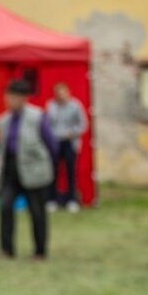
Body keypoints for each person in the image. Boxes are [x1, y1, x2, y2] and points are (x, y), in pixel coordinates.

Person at [0, 79, 57, 260]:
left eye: (13, 97)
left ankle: (40, 250)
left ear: (23, 98)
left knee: (37, 212)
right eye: (8, 96)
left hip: (34, 170)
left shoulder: (37, 117)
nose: (9, 100)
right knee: (5, 207)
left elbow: (51, 144)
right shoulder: (3, 121)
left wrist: (47, 168)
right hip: (11, 169)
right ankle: (7, 249)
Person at [45, 83, 88, 212]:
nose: (61, 96)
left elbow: (83, 124)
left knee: (70, 172)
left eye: (63, 93)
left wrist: (73, 132)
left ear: (68, 93)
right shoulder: (51, 106)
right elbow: (47, 124)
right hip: (55, 142)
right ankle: (52, 200)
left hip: (69, 142)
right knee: (53, 172)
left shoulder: (75, 106)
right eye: (58, 94)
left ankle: (72, 200)